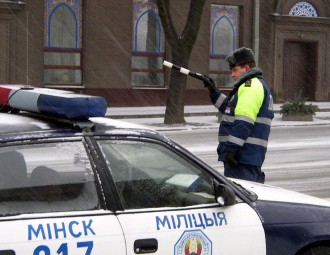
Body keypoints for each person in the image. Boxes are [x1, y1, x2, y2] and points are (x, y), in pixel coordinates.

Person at [203, 47, 274, 183]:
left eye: (235, 70)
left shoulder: (250, 86)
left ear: (246, 68)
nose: (232, 74)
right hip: (247, 156)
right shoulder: (252, 85)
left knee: (241, 198)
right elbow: (229, 109)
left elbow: (244, 122)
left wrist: (230, 149)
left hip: (241, 157)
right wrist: (213, 91)